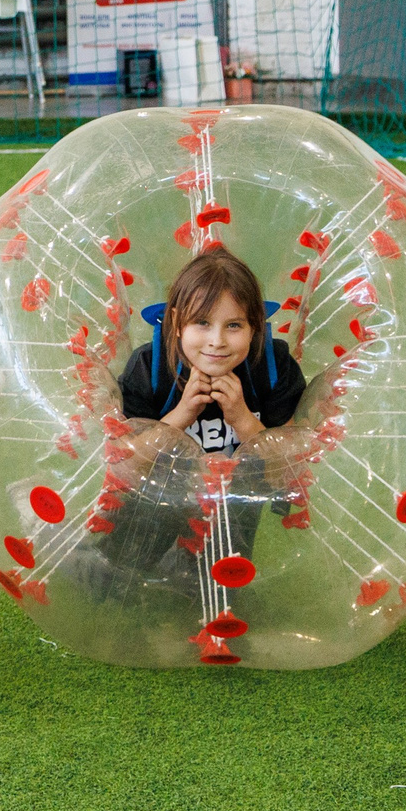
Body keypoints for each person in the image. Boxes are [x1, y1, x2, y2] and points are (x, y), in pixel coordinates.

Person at [101, 244, 306, 581]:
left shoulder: (273, 365)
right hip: (156, 497)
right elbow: (126, 466)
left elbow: (285, 471)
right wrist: (182, 414)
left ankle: (190, 573)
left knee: (217, 588)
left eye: (234, 325)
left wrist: (242, 418)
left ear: (256, 325)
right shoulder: (149, 367)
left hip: (233, 506)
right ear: (176, 323)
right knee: (117, 571)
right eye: (202, 322)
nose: (217, 341)